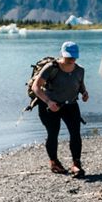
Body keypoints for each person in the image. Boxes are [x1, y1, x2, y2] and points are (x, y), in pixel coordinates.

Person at [31, 41, 90, 176]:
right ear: (62, 54)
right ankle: (54, 162)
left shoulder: (80, 70)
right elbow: (36, 87)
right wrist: (48, 102)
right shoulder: (51, 68)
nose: (71, 59)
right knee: (53, 134)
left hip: (71, 105)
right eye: (69, 56)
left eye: (74, 56)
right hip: (49, 106)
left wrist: (84, 93)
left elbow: (80, 84)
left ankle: (76, 164)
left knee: (75, 134)